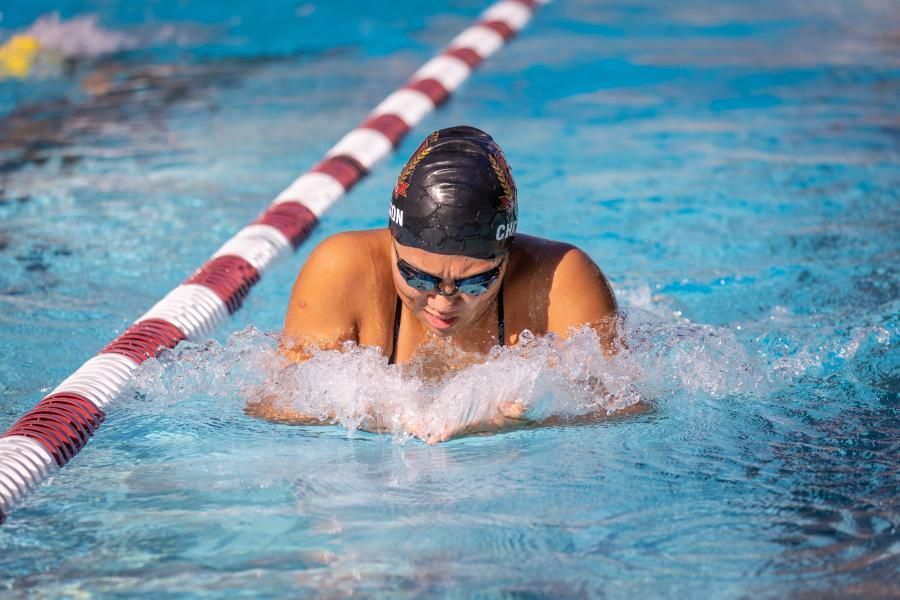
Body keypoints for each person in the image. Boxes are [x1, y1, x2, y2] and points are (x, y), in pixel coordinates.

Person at [248, 125, 621, 442]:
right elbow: (271, 405)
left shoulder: (559, 280)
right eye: (417, 277)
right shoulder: (342, 269)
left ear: (507, 256)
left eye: (475, 282)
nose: (443, 303)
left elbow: (627, 406)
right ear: (392, 243)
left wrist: (534, 413)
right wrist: (353, 410)